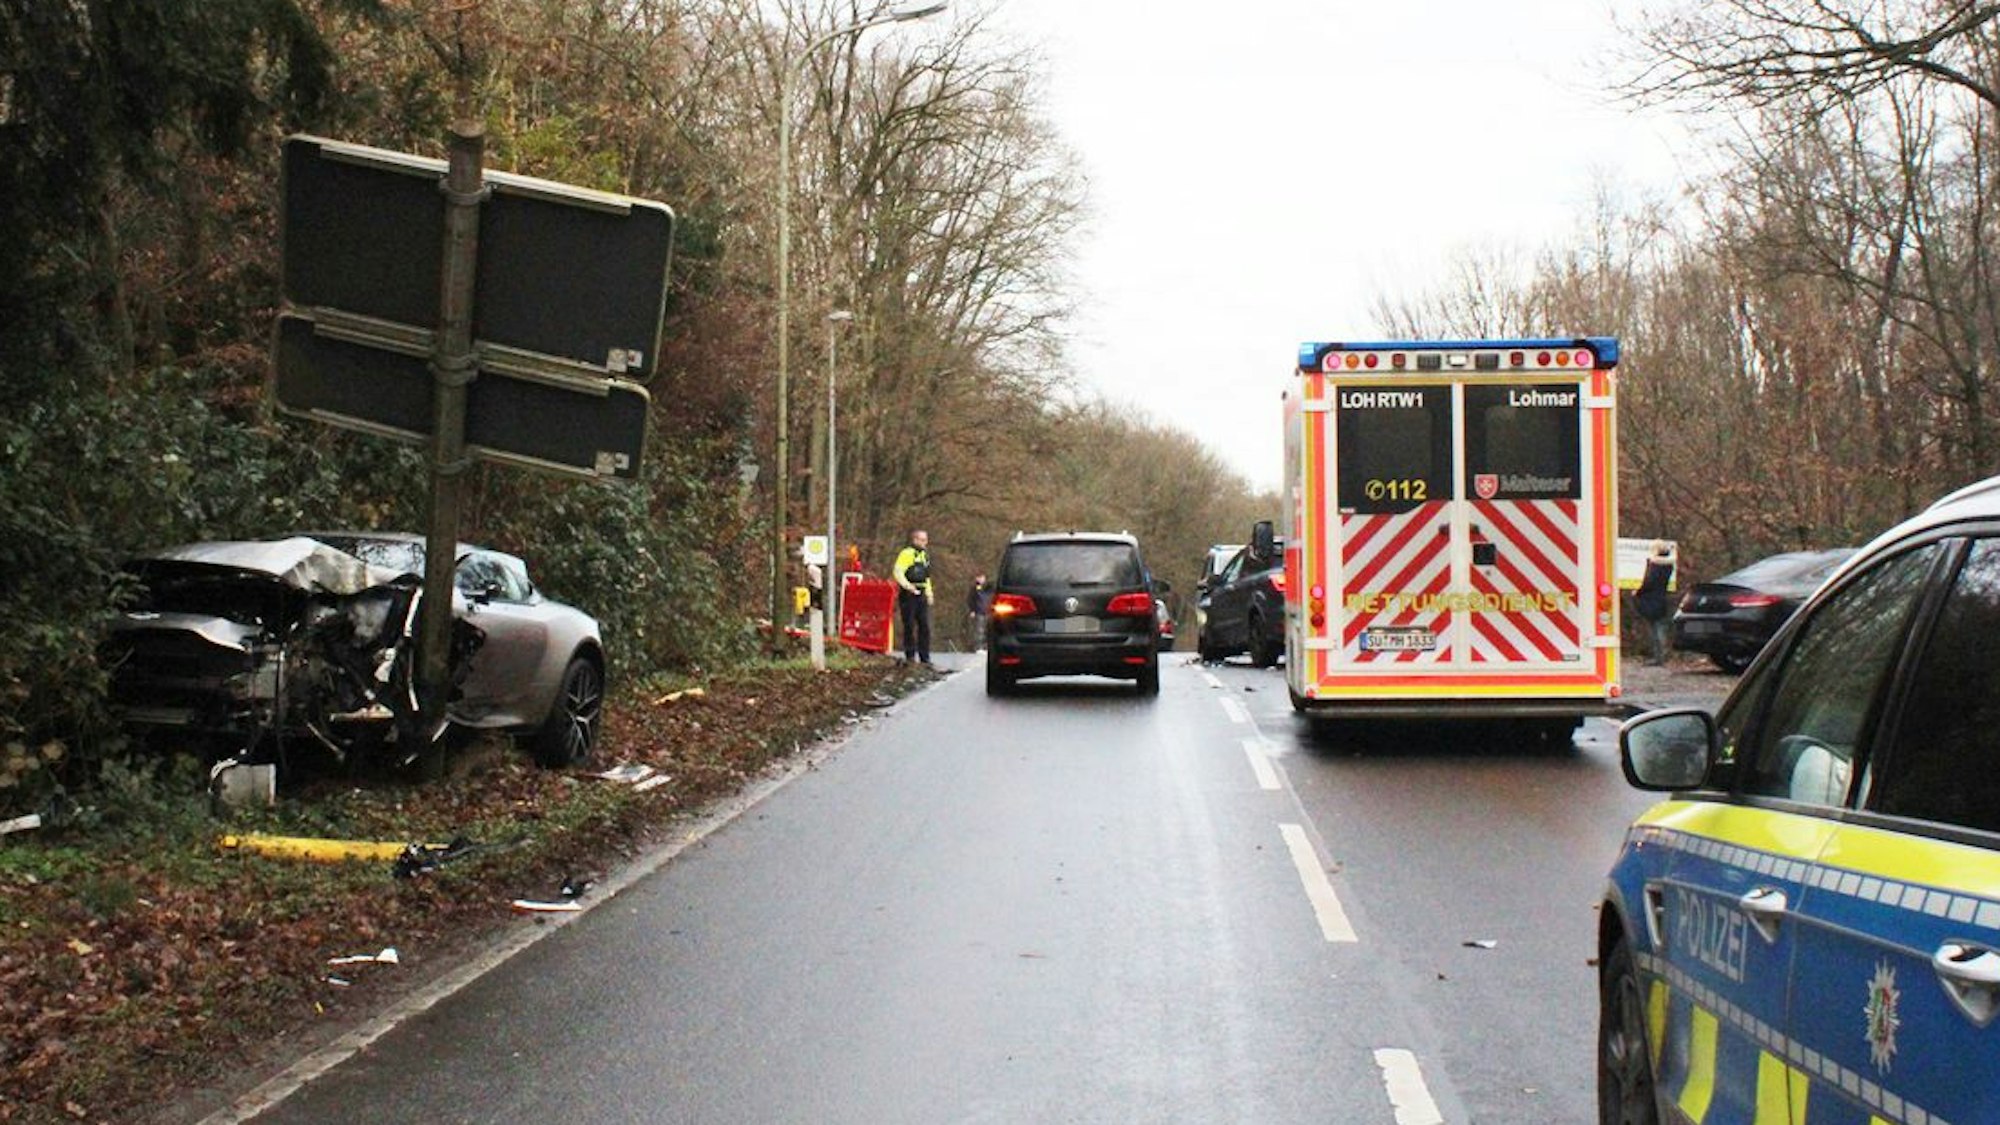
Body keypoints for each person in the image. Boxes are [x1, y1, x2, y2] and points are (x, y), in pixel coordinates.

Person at [1633, 539, 1678, 667]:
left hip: (1651, 600)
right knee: (1660, 627)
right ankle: (1662, 656)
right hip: (1661, 599)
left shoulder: (1655, 565)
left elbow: (1649, 582)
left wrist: (1638, 592)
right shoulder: (1669, 565)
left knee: (1655, 629)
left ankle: (1659, 657)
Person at [893, 529, 934, 664]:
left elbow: (926, 577)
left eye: (925, 540)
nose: (924, 543)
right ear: (915, 540)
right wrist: (908, 586)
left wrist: (929, 593)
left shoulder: (925, 556)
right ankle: (910, 654)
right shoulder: (906, 554)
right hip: (908, 593)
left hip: (921, 592)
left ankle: (925, 656)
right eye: (922, 540)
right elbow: (898, 572)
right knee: (909, 624)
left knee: (924, 626)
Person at [965, 573, 992, 651]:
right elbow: (970, 600)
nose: (980, 579)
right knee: (979, 630)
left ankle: (986, 646)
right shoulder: (974, 589)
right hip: (979, 611)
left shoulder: (989, 588)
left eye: (981, 577)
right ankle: (978, 647)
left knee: (988, 631)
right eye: (978, 577)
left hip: (988, 612)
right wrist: (972, 610)